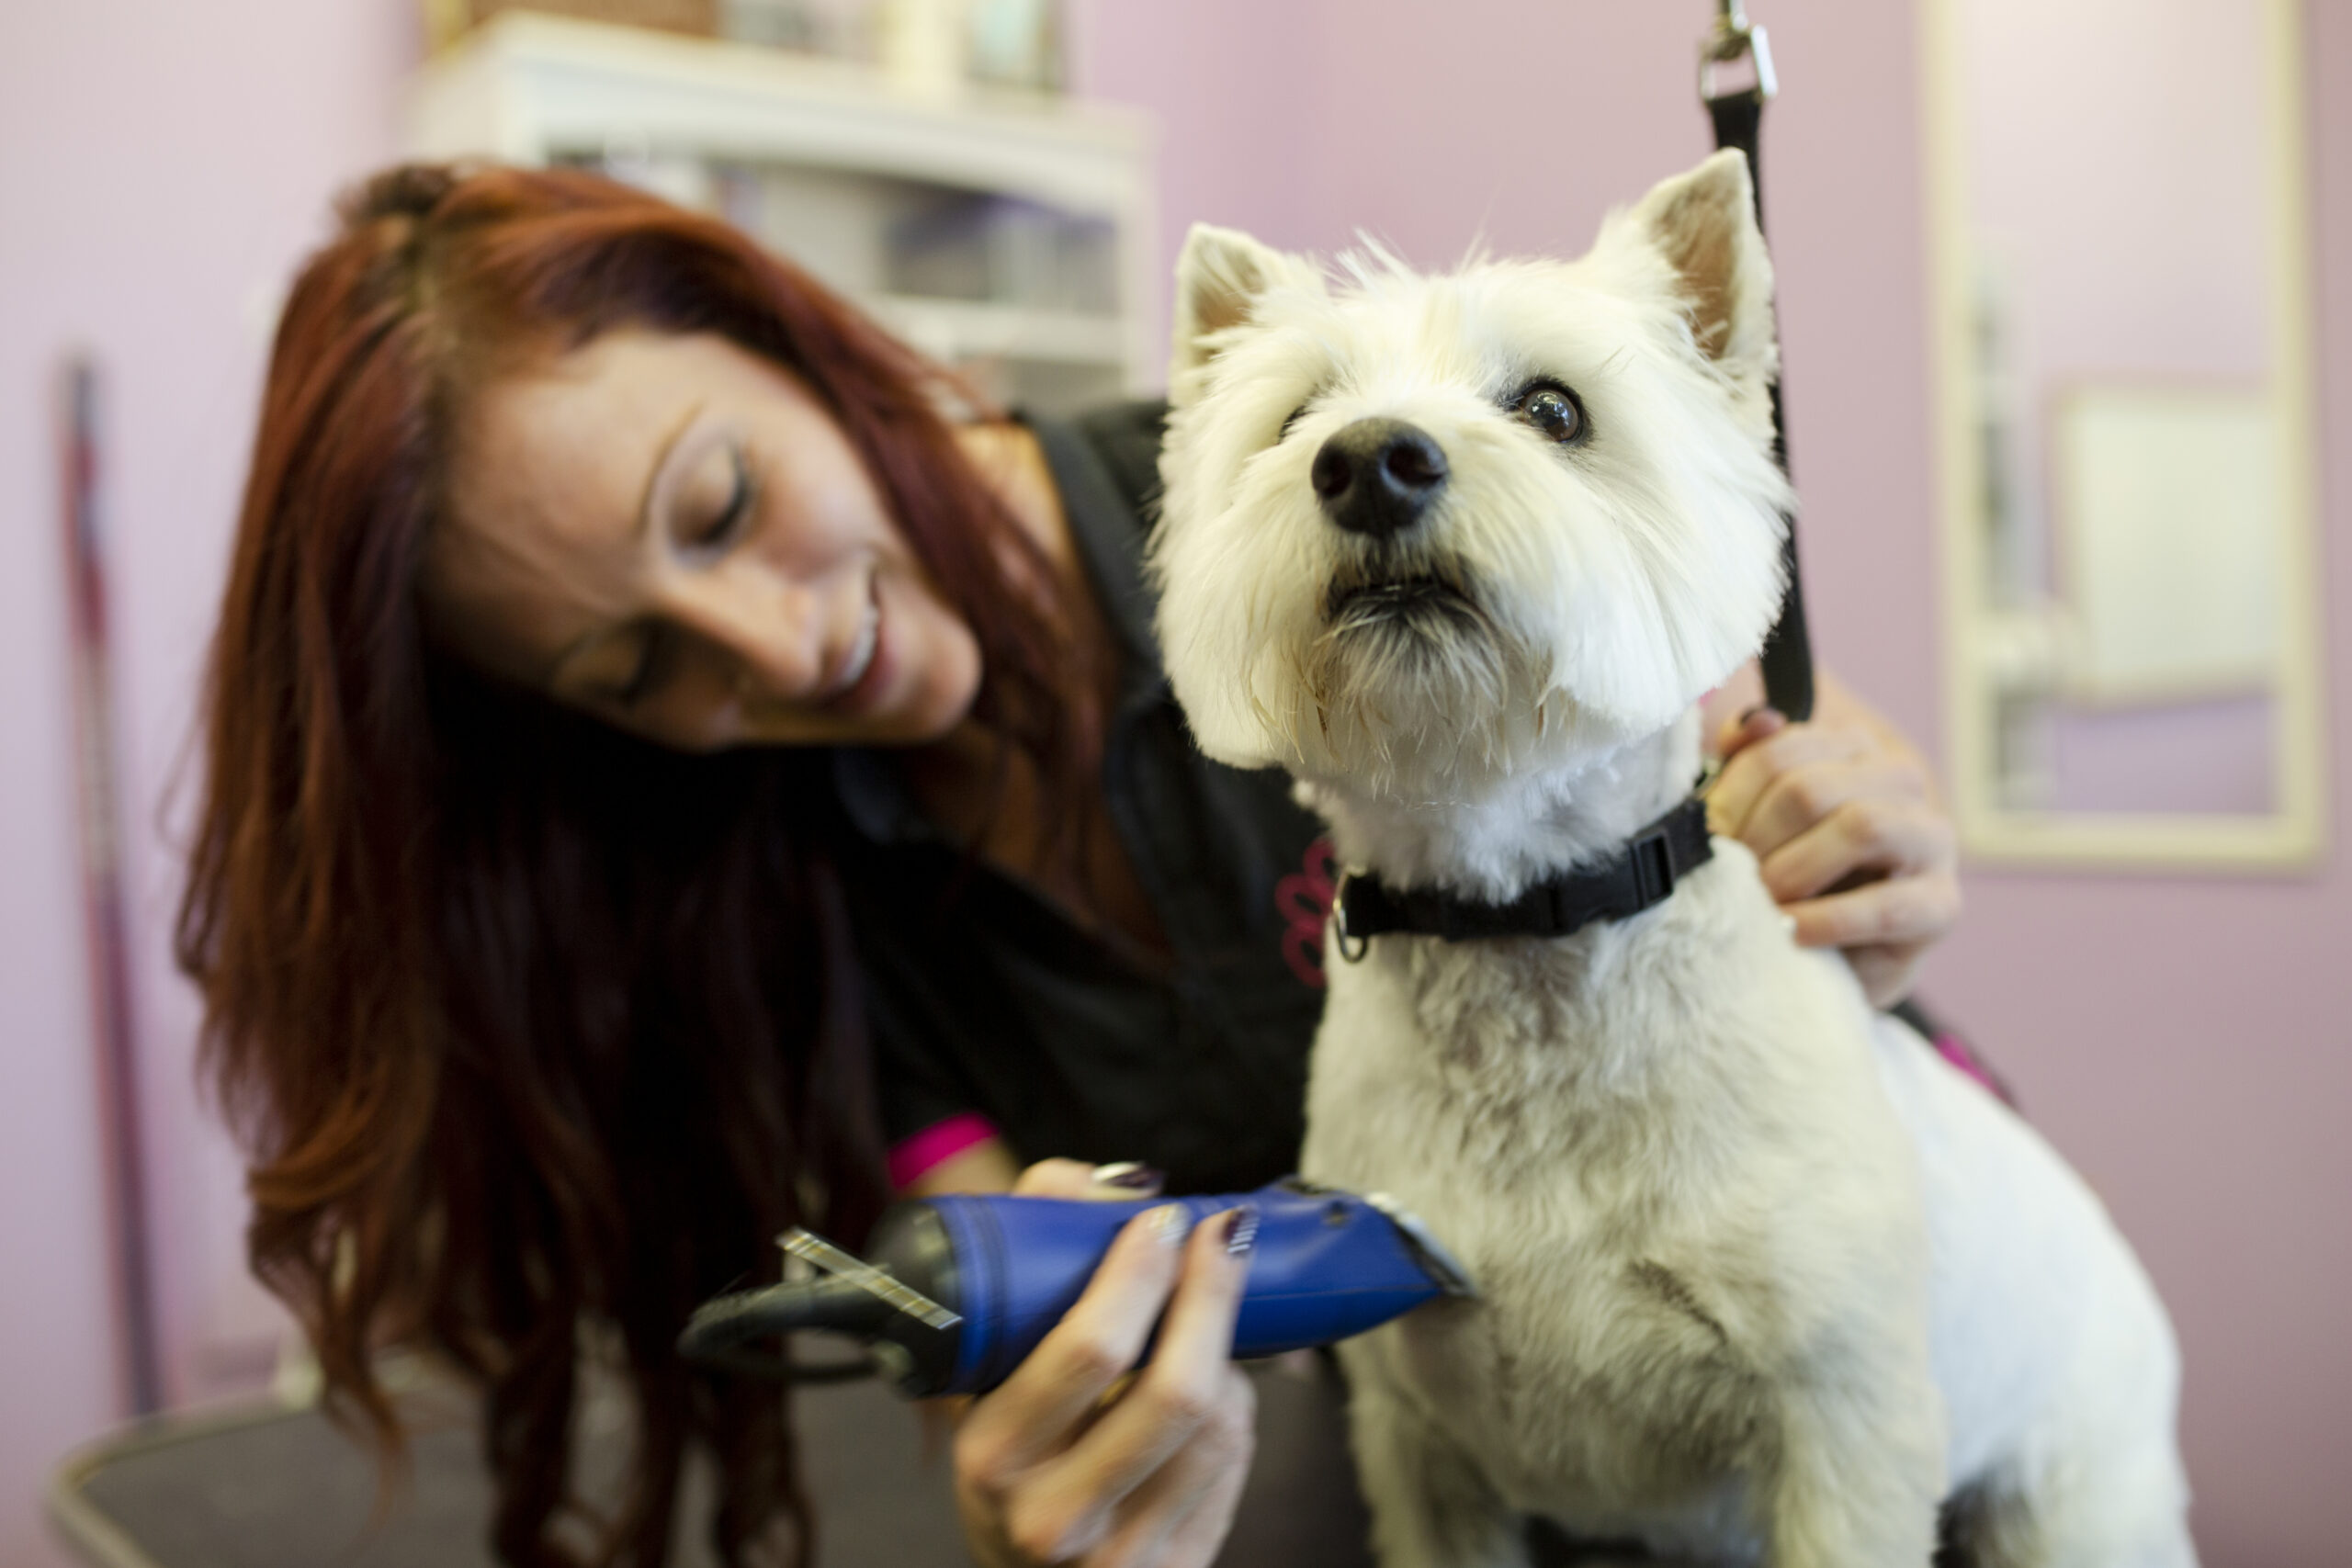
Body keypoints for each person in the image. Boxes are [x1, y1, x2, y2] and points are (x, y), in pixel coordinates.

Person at [175, 162, 1962, 1568]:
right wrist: (1032, 1440)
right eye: (638, 666)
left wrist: (1842, 832)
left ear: (779, 331)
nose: (772, 647)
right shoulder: (787, 897)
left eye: (720, 502)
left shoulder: (1318, 503)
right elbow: (958, 1194)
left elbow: (1712, 700)